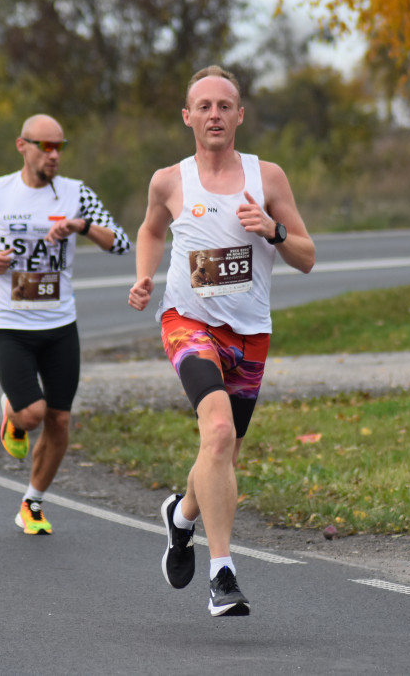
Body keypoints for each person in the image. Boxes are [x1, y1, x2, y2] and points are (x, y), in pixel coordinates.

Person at [128, 65, 315, 616]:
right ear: (187, 116)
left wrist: (274, 231)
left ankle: (181, 516)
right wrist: (143, 274)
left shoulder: (269, 178)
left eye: (224, 105)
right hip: (188, 323)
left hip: (251, 334)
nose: (214, 114)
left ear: (239, 115)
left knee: (221, 452)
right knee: (216, 430)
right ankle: (223, 573)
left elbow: (306, 256)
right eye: (203, 105)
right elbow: (151, 229)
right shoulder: (169, 180)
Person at [0, 113, 131, 535]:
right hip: (10, 322)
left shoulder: (75, 193)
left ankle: (32, 502)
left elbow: (121, 243)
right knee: (33, 414)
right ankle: (12, 412)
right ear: (21, 146)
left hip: (60, 322)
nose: (53, 155)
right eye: (45, 146)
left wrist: (81, 226)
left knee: (60, 421)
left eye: (60, 147)